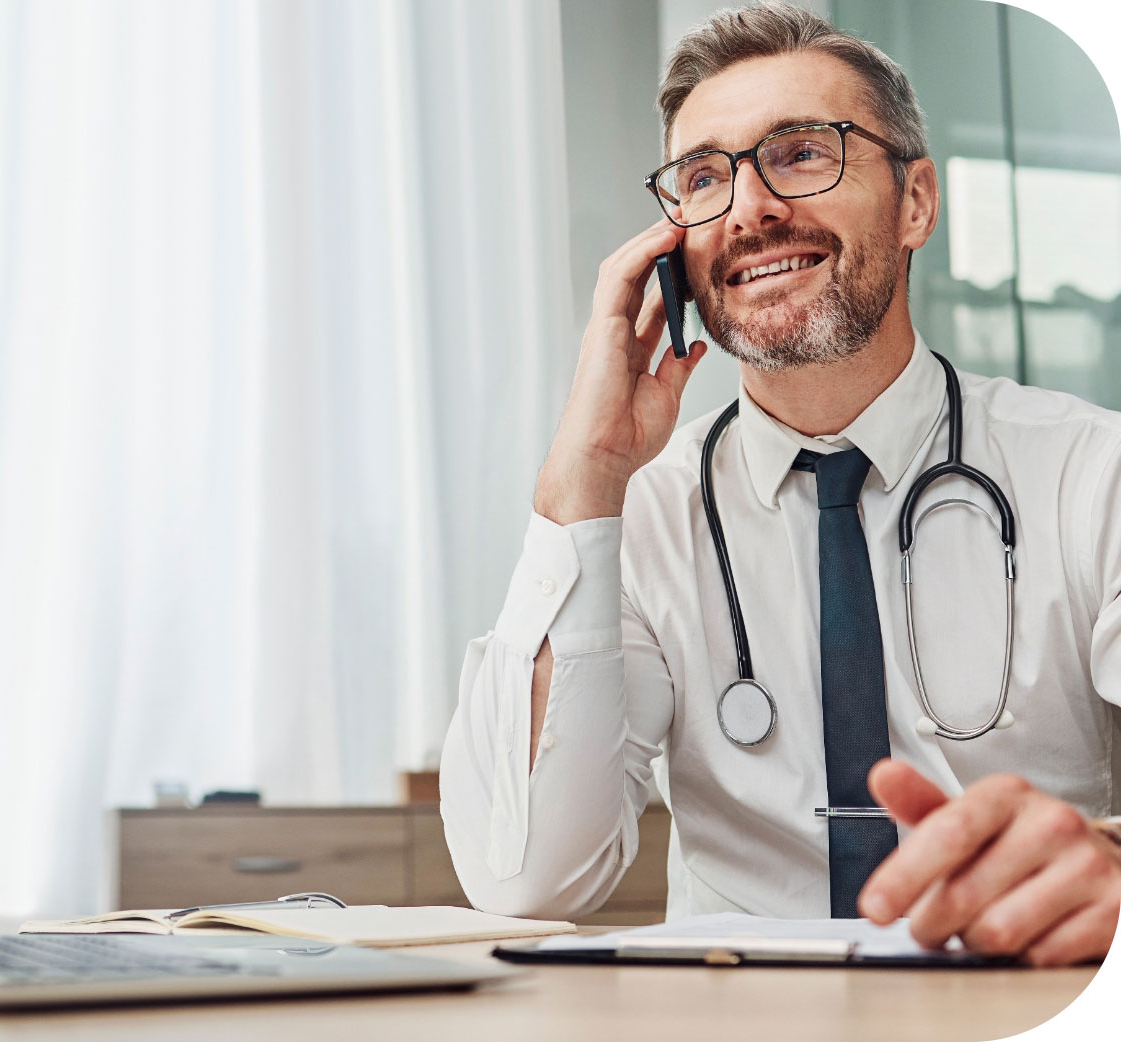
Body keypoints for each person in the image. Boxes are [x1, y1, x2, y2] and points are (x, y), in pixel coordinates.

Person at [438, 0, 1121, 967]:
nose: (751, 210)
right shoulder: (643, 520)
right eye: (705, 177)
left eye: (802, 153)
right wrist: (580, 484)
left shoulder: (1094, 477)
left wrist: (1108, 863)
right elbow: (525, 877)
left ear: (916, 201)